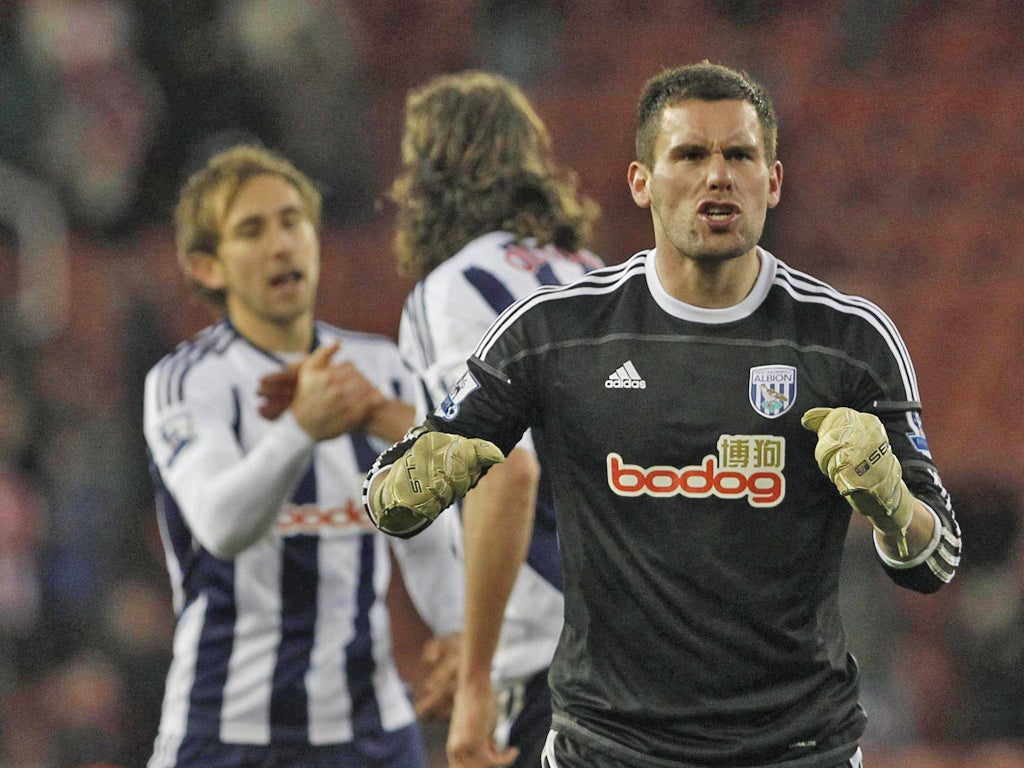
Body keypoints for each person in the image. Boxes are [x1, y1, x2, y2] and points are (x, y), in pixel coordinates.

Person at [363, 61, 962, 768]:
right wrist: (407, 486)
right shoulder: (555, 331)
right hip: (607, 748)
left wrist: (892, 504)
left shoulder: (851, 340)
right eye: (690, 155)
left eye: (739, 155)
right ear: (641, 181)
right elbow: (390, 493)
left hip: (799, 748)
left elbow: (938, 560)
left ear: (772, 180)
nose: (718, 176)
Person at [142, 144, 462, 768]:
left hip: (371, 731)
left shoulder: (385, 370)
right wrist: (299, 431)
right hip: (227, 729)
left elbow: (420, 528)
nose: (282, 244)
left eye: (292, 221)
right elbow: (221, 526)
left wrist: (455, 630)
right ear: (208, 267)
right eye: (251, 230)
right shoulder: (187, 382)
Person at [389, 70, 602, 768]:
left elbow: (503, 469)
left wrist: (478, 673)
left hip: (553, 662)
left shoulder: (452, 292)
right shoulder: (600, 274)